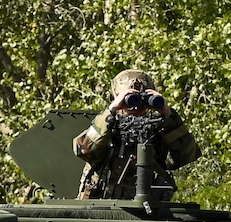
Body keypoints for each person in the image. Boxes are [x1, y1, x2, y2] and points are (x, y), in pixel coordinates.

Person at [73, 70, 200, 199]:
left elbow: (187, 156)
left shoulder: (158, 128)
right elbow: (84, 150)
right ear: (115, 97)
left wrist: (167, 114)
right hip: (100, 205)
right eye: (130, 100)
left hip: (144, 209)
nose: (135, 107)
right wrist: (112, 109)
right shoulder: (106, 126)